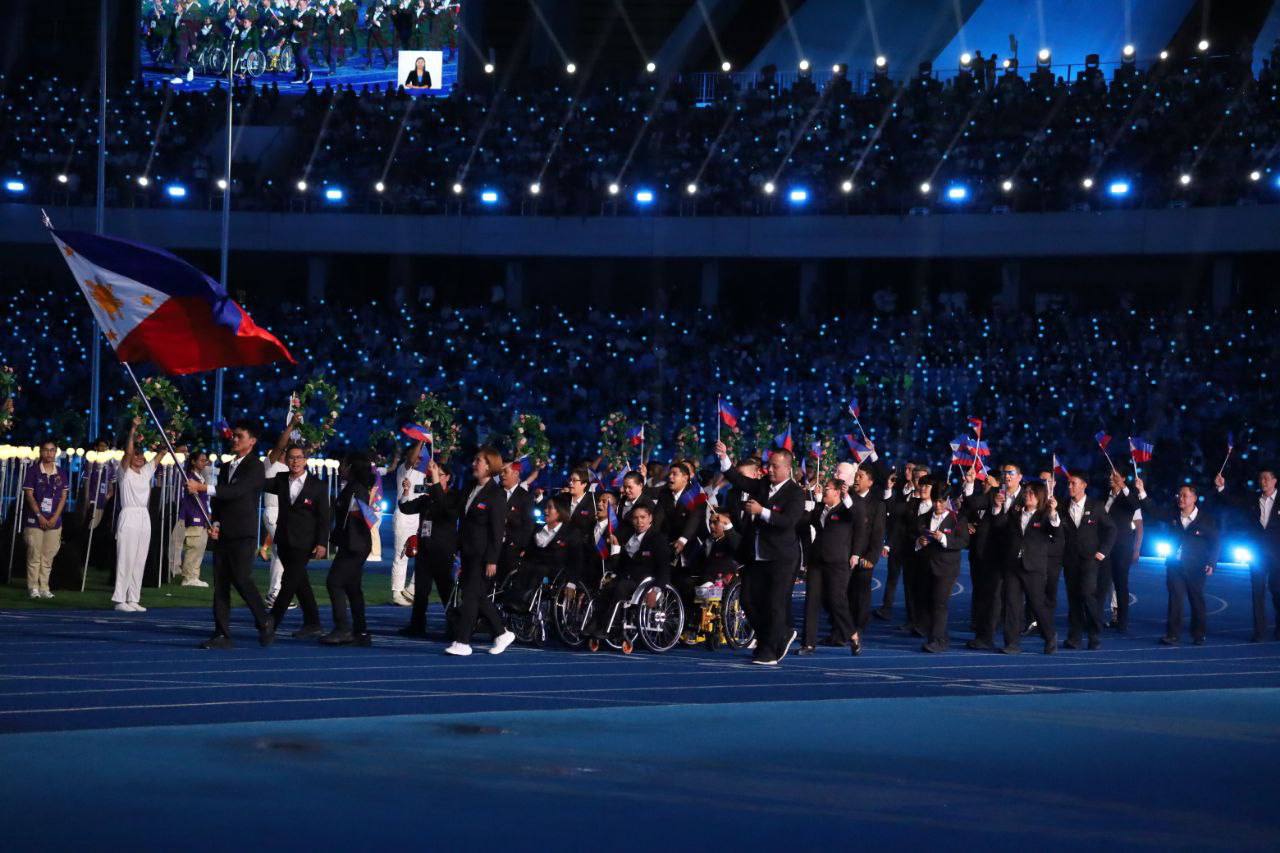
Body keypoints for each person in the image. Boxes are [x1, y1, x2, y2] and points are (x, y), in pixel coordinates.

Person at [714, 439, 805, 666]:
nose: (769, 469)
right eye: (768, 465)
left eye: (775, 466)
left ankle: (769, 651)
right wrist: (724, 457)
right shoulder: (763, 484)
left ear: (788, 468)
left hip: (781, 557)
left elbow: (787, 521)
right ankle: (775, 636)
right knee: (747, 600)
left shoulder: (795, 493)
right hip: (756, 555)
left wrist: (761, 510)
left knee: (774, 604)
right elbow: (740, 480)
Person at [186, 418, 275, 649]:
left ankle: (264, 620)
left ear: (252, 441)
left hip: (243, 533)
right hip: (223, 533)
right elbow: (220, 500)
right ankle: (222, 633)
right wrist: (215, 522)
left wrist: (202, 487)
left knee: (242, 579)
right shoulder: (226, 467)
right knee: (221, 584)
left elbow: (236, 491)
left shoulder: (255, 467)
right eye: (234, 435)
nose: (234, 439)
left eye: (239, 436)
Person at [444, 447, 516, 656]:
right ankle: (501, 633)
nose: (474, 464)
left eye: (479, 461)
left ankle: (462, 641)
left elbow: (497, 531)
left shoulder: (496, 494)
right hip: (467, 553)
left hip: (483, 555)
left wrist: (492, 559)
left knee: (470, 596)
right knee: (478, 596)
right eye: (475, 460)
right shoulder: (470, 487)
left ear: (489, 465)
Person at [1136, 478, 1219, 645]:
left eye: (1185, 495)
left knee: (1196, 600)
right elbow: (1154, 511)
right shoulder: (1173, 514)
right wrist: (1142, 491)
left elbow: (1215, 542)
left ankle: (1199, 634)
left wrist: (1211, 562)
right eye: (1179, 495)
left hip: (1196, 567)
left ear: (1194, 498)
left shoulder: (1206, 519)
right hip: (1175, 566)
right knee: (1175, 600)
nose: (1180, 498)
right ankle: (1173, 634)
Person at [263, 443, 331, 637]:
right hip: (284, 540)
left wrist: (322, 543)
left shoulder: (318, 485)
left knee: (289, 581)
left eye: (299, 457)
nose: (295, 461)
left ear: (305, 460)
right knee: (300, 582)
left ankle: (272, 622)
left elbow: (324, 517)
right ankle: (313, 623)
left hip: (305, 542)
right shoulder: (280, 479)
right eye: (291, 458)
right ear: (286, 460)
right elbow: (258, 483)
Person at [991, 479, 1058, 655]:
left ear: (1040, 496)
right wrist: (997, 508)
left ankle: (1050, 636)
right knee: (1012, 604)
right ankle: (1011, 643)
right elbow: (999, 525)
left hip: (1034, 567)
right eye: (1026, 492)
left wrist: (1053, 513)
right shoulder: (1015, 512)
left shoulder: (1045, 516)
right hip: (1013, 564)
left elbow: (1057, 533)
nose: (1027, 495)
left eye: (1031, 493)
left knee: (1037, 604)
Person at [586, 504, 670, 643]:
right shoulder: (628, 537)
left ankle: (610, 627)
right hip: (626, 577)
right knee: (608, 587)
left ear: (650, 518)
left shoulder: (658, 539)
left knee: (621, 587)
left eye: (643, 517)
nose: (639, 521)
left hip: (645, 583)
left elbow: (664, 568)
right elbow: (618, 565)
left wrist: (656, 590)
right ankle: (594, 623)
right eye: (635, 518)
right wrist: (616, 550)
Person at [397, 458, 461, 638]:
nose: (433, 478)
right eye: (432, 475)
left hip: (443, 551)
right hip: (425, 550)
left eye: (438, 475)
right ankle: (417, 625)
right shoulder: (427, 498)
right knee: (421, 592)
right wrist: (406, 491)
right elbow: (405, 507)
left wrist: (435, 485)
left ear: (447, 477)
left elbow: (446, 509)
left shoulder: (454, 496)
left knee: (446, 590)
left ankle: (455, 626)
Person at [964, 463, 1025, 650]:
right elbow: (972, 504)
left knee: (1014, 598)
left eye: (1011, 473)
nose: (1007, 476)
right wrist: (970, 483)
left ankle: (1013, 642)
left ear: (1019, 477)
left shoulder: (1028, 496)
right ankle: (985, 637)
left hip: (1018, 556)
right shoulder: (995, 493)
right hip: (993, 555)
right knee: (990, 596)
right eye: (1004, 473)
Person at [1214, 468, 1279, 641]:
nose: (1263, 482)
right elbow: (1234, 501)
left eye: (1266, 478)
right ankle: (1259, 632)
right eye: (1261, 479)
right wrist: (1221, 487)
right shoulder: (1253, 499)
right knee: (1257, 592)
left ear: (1275, 481)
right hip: (1258, 554)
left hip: (1277, 555)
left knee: (1277, 591)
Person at [799, 478, 862, 654]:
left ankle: (852, 633)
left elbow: (857, 518)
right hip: (816, 560)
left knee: (836, 601)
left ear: (837, 492)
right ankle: (808, 643)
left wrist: (847, 496)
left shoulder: (845, 510)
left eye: (827, 488)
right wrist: (810, 499)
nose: (824, 490)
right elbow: (805, 521)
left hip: (837, 562)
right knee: (811, 600)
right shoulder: (820, 508)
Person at [113, 420, 170, 613]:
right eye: (136, 454)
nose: (139, 457)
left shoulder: (145, 472)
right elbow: (128, 453)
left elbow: (161, 454)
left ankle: (133, 598)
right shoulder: (124, 473)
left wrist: (169, 435)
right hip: (129, 514)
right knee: (126, 558)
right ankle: (119, 599)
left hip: (144, 516)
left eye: (141, 455)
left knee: (139, 559)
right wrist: (133, 429)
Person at [324, 452, 376, 646]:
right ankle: (361, 632)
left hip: (354, 545)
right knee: (353, 588)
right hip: (353, 543)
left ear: (351, 467)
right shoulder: (353, 487)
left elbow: (363, 518)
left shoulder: (356, 490)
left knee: (334, 582)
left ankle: (342, 629)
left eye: (343, 463)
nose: (340, 467)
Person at [1060, 472, 1117, 649]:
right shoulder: (1063, 506)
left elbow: (1111, 529)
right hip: (1070, 560)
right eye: (1069, 483)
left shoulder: (1096, 506)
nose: (1070, 486)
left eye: (1073, 483)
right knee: (1073, 598)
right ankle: (1074, 637)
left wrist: (1103, 551)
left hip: (1090, 560)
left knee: (1087, 594)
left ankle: (1094, 633)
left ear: (1084, 485)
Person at [914, 479, 969, 652]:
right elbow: (914, 536)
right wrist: (919, 542)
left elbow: (963, 541)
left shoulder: (957, 519)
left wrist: (944, 538)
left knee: (939, 603)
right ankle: (940, 636)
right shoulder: (923, 518)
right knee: (928, 602)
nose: (938, 505)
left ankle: (937, 640)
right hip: (926, 566)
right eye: (935, 501)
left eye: (941, 501)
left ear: (947, 501)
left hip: (947, 568)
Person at [502, 496, 581, 615]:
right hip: (532, 567)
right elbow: (528, 551)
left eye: (550, 508)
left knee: (537, 570)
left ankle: (524, 603)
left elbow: (576, 560)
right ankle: (511, 601)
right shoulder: (538, 529)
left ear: (560, 511)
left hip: (555, 572)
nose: (545, 511)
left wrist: (572, 582)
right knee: (522, 567)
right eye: (545, 507)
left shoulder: (571, 533)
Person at [21, 439, 67, 600]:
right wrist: (39, 516)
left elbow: (63, 497)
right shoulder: (33, 471)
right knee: (34, 555)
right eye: (46, 450)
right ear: (41, 452)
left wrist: (55, 517)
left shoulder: (61, 472)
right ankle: (33, 588)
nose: (49, 453)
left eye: (52, 450)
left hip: (54, 521)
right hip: (35, 521)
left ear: (56, 452)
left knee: (48, 557)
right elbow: (29, 495)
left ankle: (44, 588)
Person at [847, 465, 884, 654]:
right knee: (843, 593)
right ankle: (843, 629)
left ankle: (858, 628)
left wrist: (871, 557)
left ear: (870, 482)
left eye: (860, 476)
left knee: (861, 594)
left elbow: (878, 533)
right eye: (856, 475)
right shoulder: (848, 499)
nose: (856, 479)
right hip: (844, 554)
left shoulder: (877, 504)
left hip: (864, 556)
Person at [1101, 469, 1142, 632]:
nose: (1111, 478)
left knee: (1120, 583)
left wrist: (1136, 549)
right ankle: (1096, 618)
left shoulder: (1130, 499)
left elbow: (1139, 527)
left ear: (1123, 478)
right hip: (1104, 547)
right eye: (1110, 475)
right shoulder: (1105, 497)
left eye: (1115, 475)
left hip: (1122, 548)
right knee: (1102, 582)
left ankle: (1122, 621)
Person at [261, 414, 294, 608]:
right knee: (283, 549)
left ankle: (274, 594)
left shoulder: (289, 469)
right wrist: (291, 426)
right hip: (273, 512)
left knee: (278, 552)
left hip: (285, 514)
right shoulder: (270, 464)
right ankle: (275, 593)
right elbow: (280, 445)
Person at [389, 439, 426, 605]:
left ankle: (411, 589)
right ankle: (396, 593)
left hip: (418, 518)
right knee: (402, 555)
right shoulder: (404, 469)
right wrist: (421, 440)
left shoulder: (423, 474)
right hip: (403, 517)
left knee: (423, 555)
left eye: (420, 457)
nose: (419, 458)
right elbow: (411, 459)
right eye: (416, 455)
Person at [176, 450, 213, 587]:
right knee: (194, 546)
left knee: (200, 546)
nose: (204, 463)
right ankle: (188, 577)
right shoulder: (189, 478)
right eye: (201, 460)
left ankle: (194, 576)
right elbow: (187, 498)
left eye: (205, 460)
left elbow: (204, 499)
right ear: (193, 461)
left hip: (202, 516)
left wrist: (208, 513)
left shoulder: (200, 478)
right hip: (193, 516)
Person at [498, 457, 535, 583]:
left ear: (516, 473)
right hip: (491, 547)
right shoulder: (494, 493)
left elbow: (528, 525)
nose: (502, 475)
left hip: (511, 551)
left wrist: (521, 547)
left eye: (505, 471)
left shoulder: (525, 497)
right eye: (500, 471)